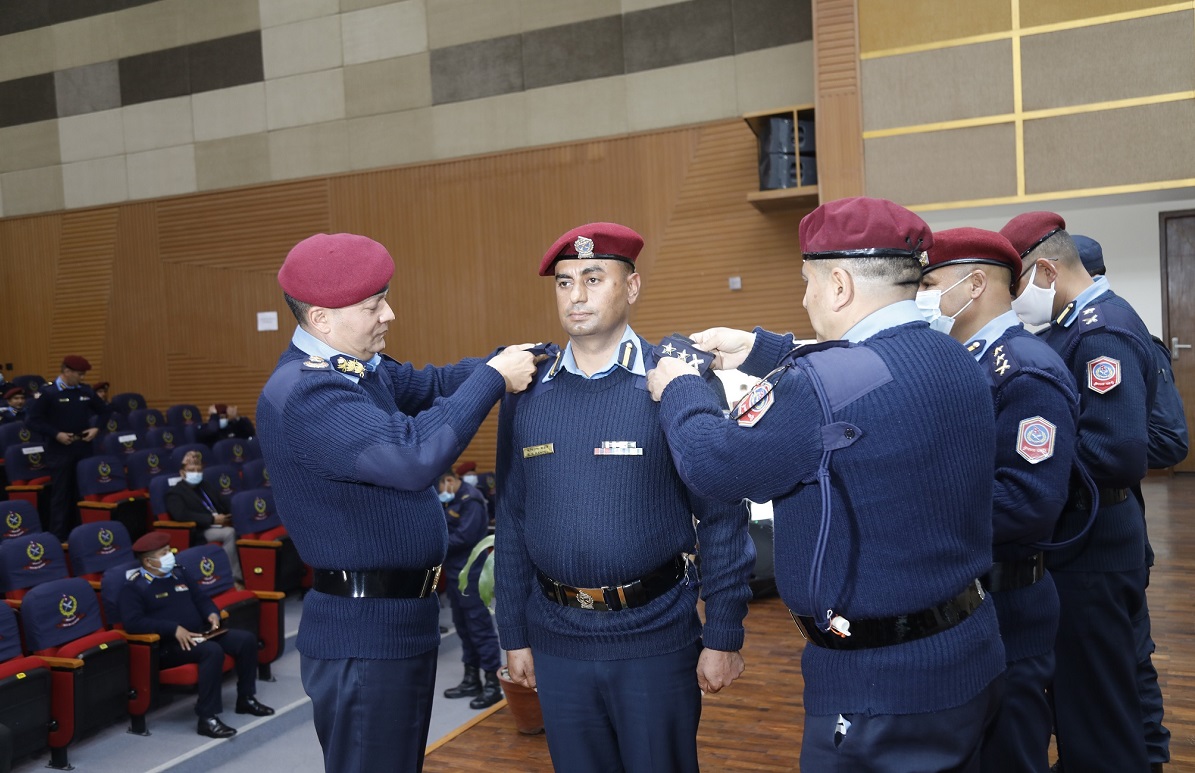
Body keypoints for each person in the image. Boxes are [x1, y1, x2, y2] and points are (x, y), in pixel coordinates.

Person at [645, 198, 1005, 771]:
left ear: (838, 284)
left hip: (879, 687)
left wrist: (681, 387)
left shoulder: (818, 387)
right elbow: (874, 370)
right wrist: (763, 350)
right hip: (967, 651)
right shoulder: (953, 353)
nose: (805, 297)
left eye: (807, 282)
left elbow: (717, 466)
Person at [255, 232, 539, 773]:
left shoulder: (356, 367)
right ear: (320, 319)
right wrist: (493, 380)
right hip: (363, 634)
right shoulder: (308, 393)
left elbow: (432, 385)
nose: (390, 313)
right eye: (373, 305)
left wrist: (507, 360)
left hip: (396, 621)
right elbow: (413, 458)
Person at [494, 222, 755, 772]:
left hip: (655, 637)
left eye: (594, 278)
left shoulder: (676, 378)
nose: (577, 295)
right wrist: (513, 633)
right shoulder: (526, 389)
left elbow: (722, 515)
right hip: (557, 639)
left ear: (631, 287)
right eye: (565, 283)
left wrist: (725, 631)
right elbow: (513, 518)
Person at [1001, 212, 1157, 772]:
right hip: (1083, 535)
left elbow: (1117, 451)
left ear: (1045, 269)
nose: (1014, 297)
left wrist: (1032, 459)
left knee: (1097, 712)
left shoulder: (1098, 330)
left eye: (1015, 283)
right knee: (1088, 700)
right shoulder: (1074, 324)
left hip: (1094, 543)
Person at [918, 227, 1079, 772]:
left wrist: (918, 508)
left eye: (931, 283)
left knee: (1010, 754)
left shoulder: (1026, 369)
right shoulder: (963, 361)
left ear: (976, 282)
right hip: (967, 602)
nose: (924, 296)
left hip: (1011, 601)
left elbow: (1026, 502)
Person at [1072, 233, 1186, 772]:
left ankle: (1149, 758)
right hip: (1110, 519)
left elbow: (1170, 440)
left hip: (1116, 524)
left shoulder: (1116, 331)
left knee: (1127, 659)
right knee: (1126, 657)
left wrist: (1110, 437)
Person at [118, 531, 274, 738]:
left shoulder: (179, 573)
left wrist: (212, 614)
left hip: (200, 633)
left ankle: (246, 698)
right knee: (212, 652)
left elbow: (201, 598)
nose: (170, 555)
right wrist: (172, 628)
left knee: (245, 640)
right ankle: (207, 718)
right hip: (168, 645)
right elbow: (133, 623)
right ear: (148, 561)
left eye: (169, 551)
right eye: (163, 553)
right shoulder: (134, 587)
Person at [437, 468, 502, 709]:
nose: (440, 494)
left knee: (479, 627)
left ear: (450, 480)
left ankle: (493, 684)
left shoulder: (470, 499)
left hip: (472, 574)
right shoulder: (451, 498)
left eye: (441, 488)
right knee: (463, 627)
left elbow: (463, 537)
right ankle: (471, 678)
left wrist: (434, 544)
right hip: (454, 573)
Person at [24, 356, 109, 540]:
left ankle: (82, 535)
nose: (82, 377)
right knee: (61, 496)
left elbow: (105, 411)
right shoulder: (49, 393)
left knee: (83, 494)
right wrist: (55, 434)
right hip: (60, 450)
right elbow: (32, 420)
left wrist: (97, 428)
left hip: (83, 448)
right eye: (79, 374)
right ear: (67, 372)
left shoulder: (85, 391)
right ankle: (58, 538)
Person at [165, 450, 243, 584]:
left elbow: (222, 502)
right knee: (229, 533)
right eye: (191, 470)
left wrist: (232, 513)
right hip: (201, 529)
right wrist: (212, 519)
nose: (195, 473)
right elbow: (182, 515)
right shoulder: (175, 493)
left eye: (198, 470)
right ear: (182, 473)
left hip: (220, 522)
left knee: (241, 526)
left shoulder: (205, 485)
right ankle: (234, 577)